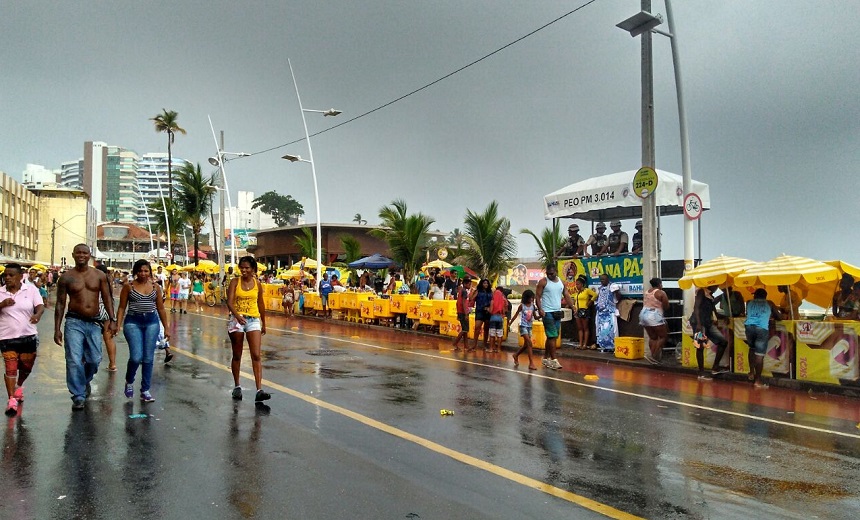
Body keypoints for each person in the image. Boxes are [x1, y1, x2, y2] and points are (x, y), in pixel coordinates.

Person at [54, 244, 118, 410]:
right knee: (74, 359)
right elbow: (60, 303)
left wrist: (113, 319)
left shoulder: (99, 276)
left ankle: (83, 381)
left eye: (85, 253)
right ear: (73, 255)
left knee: (94, 359)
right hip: (74, 321)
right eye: (78, 253)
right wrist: (57, 328)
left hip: (94, 323)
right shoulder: (66, 277)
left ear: (90, 255)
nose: (81, 255)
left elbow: (108, 298)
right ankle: (78, 395)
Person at [115, 259, 169, 403]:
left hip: (151, 322)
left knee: (148, 358)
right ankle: (129, 381)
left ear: (150, 272)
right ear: (135, 272)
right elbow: (121, 307)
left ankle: (145, 390)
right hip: (133, 322)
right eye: (140, 271)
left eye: (146, 271)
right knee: (136, 357)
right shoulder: (128, 286)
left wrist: (166, 328)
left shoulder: (156, 287)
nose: (143, 273)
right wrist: (117, 325)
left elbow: (161, 308)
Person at [0, 263, 45, 416]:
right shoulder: (0, 292)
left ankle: (19, 386)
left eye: (11, 275)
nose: (7, 278)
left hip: (28, 336)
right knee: (11, 368)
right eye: (5, 275)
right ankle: (11, 399)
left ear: (20, 277)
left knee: (26, 367)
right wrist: (2, 304)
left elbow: (40, 305)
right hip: (6, 338)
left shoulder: (31, 290)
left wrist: (37, 315)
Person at [226, 256, 270, 402]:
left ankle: (259, 389)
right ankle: (237, 386)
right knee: (237, 354)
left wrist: (263, 322)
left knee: (256, 354)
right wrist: (237, 316)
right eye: (242, 267)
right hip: (237, 321)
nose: (244, 270)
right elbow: (230, 302)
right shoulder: (234, 282)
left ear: (253, 269)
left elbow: (261, 304)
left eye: (247, 268)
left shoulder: (257, 284)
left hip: (253, 320)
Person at [535, 264, 574, 369]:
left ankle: (546, 358)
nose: (550, 275)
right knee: (552, 336)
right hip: (547, 313)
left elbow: (566, 295)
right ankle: (554, 360)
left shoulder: (561, 282)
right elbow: (537, 296)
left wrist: (573, 307)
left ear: (556, 271)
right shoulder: (543, 282)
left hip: (557, 312)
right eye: (548, 273)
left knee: (553, 336)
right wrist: (540, 309)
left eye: (552, 273)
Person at [744, 288, 782, 389]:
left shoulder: (749, 302)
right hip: (762, 328)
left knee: (751, 349)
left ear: (755, 295)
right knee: (759, 355)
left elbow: (747, 314)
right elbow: (779, 317)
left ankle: (751, 372)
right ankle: (757, 381)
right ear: (765, 296)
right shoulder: (769, 303)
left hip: (749, 327)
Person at [691, 285, 730, 380]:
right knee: (700, 346)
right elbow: (696, 308)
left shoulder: (710, 295)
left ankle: (715, 367)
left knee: (723, 342)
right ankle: (701, 372)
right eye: (715, 286)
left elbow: (714, 311)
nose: (717, 288)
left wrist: (723, 317)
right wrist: (699, 324)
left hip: (708, 323)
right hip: (699, 323)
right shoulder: (701, 292)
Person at [640, 277, 670, 365]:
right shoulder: (661, 293)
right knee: (663, 336)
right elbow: (666, 306)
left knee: (653, 337)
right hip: (654, 315)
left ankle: (653, 358)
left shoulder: (647, 292)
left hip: (643, 314)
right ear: (660, 284)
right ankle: (653, 356)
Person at [95, 264, 118, 372]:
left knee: (91, 336)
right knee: (108, 338)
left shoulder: (94, 280)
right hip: (107, 311)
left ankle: (88, 361)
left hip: (95, 311)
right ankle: (112, 364)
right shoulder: (109, 281)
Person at [594, 273, 621, 352]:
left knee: (612, 330)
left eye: (603, 279)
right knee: (601, 330)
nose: (602, 281)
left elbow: (618, 298)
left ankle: (613, 347)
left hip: (609, 312)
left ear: (608, 279)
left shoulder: (612, 286)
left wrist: (616, 292)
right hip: (601, 313)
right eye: (601, 279)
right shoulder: (601, 288)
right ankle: (604, 346)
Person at [511, 289, 537, 370]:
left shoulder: (533, 306)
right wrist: (510, 323)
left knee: (526, 345)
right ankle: (531, 363)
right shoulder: (522, 306)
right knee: (529, 343)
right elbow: (516, 315)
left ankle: (516, 355)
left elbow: (535, 316)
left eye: (532, 298)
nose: (531, 299)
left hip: (529, 326)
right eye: (530, 298)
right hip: (523, 326)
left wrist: (541, 316)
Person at [571, 275, 596, 349]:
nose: (577, 285)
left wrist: (590, 302)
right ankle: (580, 344)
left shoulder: (587, 290)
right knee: (580, 328)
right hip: (578, 311)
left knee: (585, 328)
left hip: (584, 311)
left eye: (578, 284)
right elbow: (574, 300)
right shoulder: (577, 293)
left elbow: (595, 295)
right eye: (576, 284)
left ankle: (585, 344)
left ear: (582, 284)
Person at [452, 276, 474, 350]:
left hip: (460, 312)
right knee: (465, 330)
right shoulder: (464, 291)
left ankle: (466, 346)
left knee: (465, 330)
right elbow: (464, 303)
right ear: (465, 284)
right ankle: (455, 343)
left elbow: (458, 302)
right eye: (469, 284)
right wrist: (466, 314)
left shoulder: (462, 291)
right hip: (463, 312)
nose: (470, 286)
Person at [472, 279, 493, 351]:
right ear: (481, 284)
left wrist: (490, 308)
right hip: (479, 311)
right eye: (484, 283)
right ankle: (474, 345)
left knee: (486, 329)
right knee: (477, 328)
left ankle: (484, 345)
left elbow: (493, 301)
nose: (486, 285)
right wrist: (474, 292)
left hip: (488, 312)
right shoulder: (478, 291)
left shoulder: (490, 292)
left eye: (487, 283)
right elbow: (471, 298)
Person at [487, 284, 508, 353]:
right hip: (500, 318)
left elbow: (490, 311)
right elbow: (504, 311)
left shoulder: (492, 301)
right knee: (499, 334)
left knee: (492, 334)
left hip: (493, 318)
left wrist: (487, 309)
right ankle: (499, 349)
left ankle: (491, 348)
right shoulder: (503, 301)